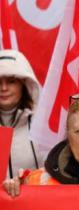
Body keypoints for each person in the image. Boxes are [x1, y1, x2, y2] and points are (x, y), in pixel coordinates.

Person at [0, 50, 43, 180]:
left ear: (24, 84)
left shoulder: (43, 122)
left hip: (36, 199)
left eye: (11, 81)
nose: (4, 88)